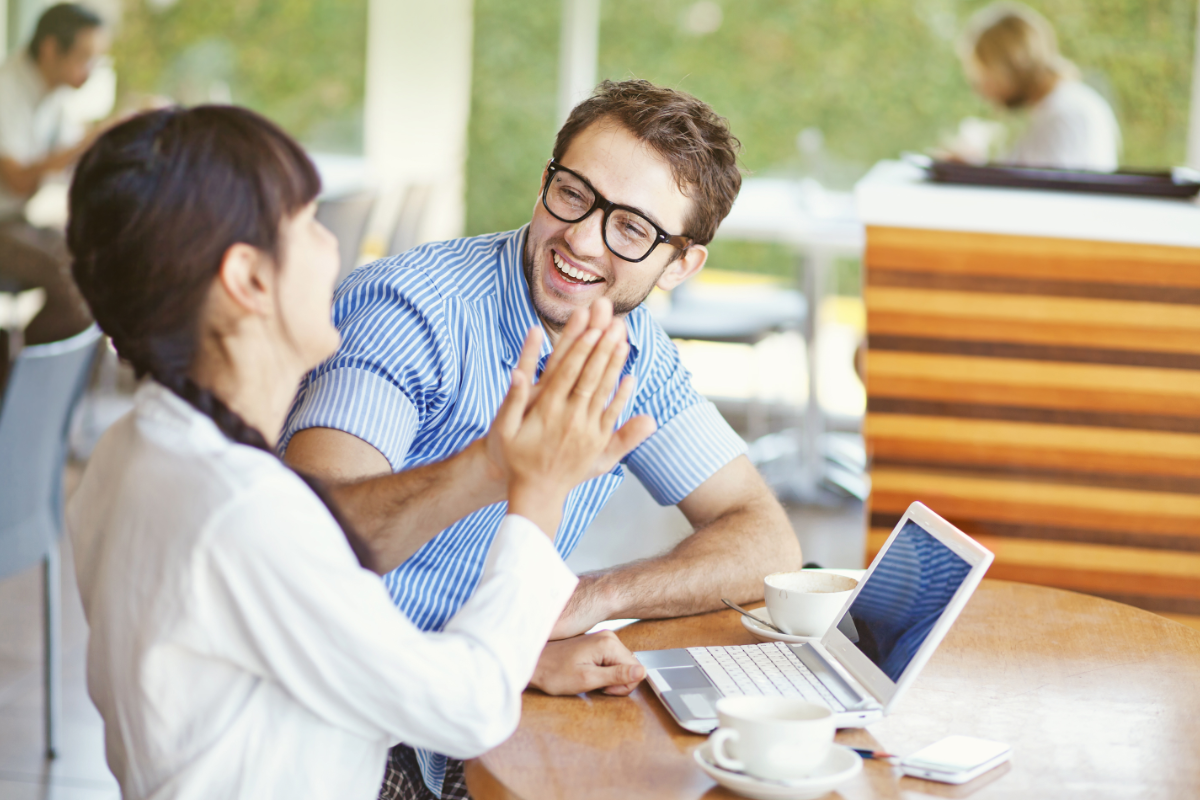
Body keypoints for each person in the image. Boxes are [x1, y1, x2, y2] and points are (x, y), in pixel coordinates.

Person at [65, 105, 652, 799]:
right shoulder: (244, 513)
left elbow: (321, 642)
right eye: (309, 224)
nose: (335, 249)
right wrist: (540, 492)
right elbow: (467, 712)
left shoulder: (135, 447)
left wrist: (499, 466)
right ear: (249, 280)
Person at [282, 79, 803, 799]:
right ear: (545, 181)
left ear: (679, 264)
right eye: (573, 194)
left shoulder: (635, 352)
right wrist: (498, 469)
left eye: (631, 229)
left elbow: (764, 538)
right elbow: (311, 545)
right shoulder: (410, 309)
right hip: (348, 721)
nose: (582, 239)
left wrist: (577, 605)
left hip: (477, 697)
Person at [0, 3, 106, 351]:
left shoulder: (53, 99)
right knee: (74, 281)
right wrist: (86, 142)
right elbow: (17, 180)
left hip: (16, 220)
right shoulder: (7, 88)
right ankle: (17, 380)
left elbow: (69, 161)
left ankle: (18, 370)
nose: (88, 70)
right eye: (83, 56)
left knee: (94, 260)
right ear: (50, 48)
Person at [958, 2, 1120, 171]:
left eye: (985, 78)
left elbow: (1039, 192)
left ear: (1012, 66)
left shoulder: (1063, 116)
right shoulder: (1056, 108)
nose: (983, 91)